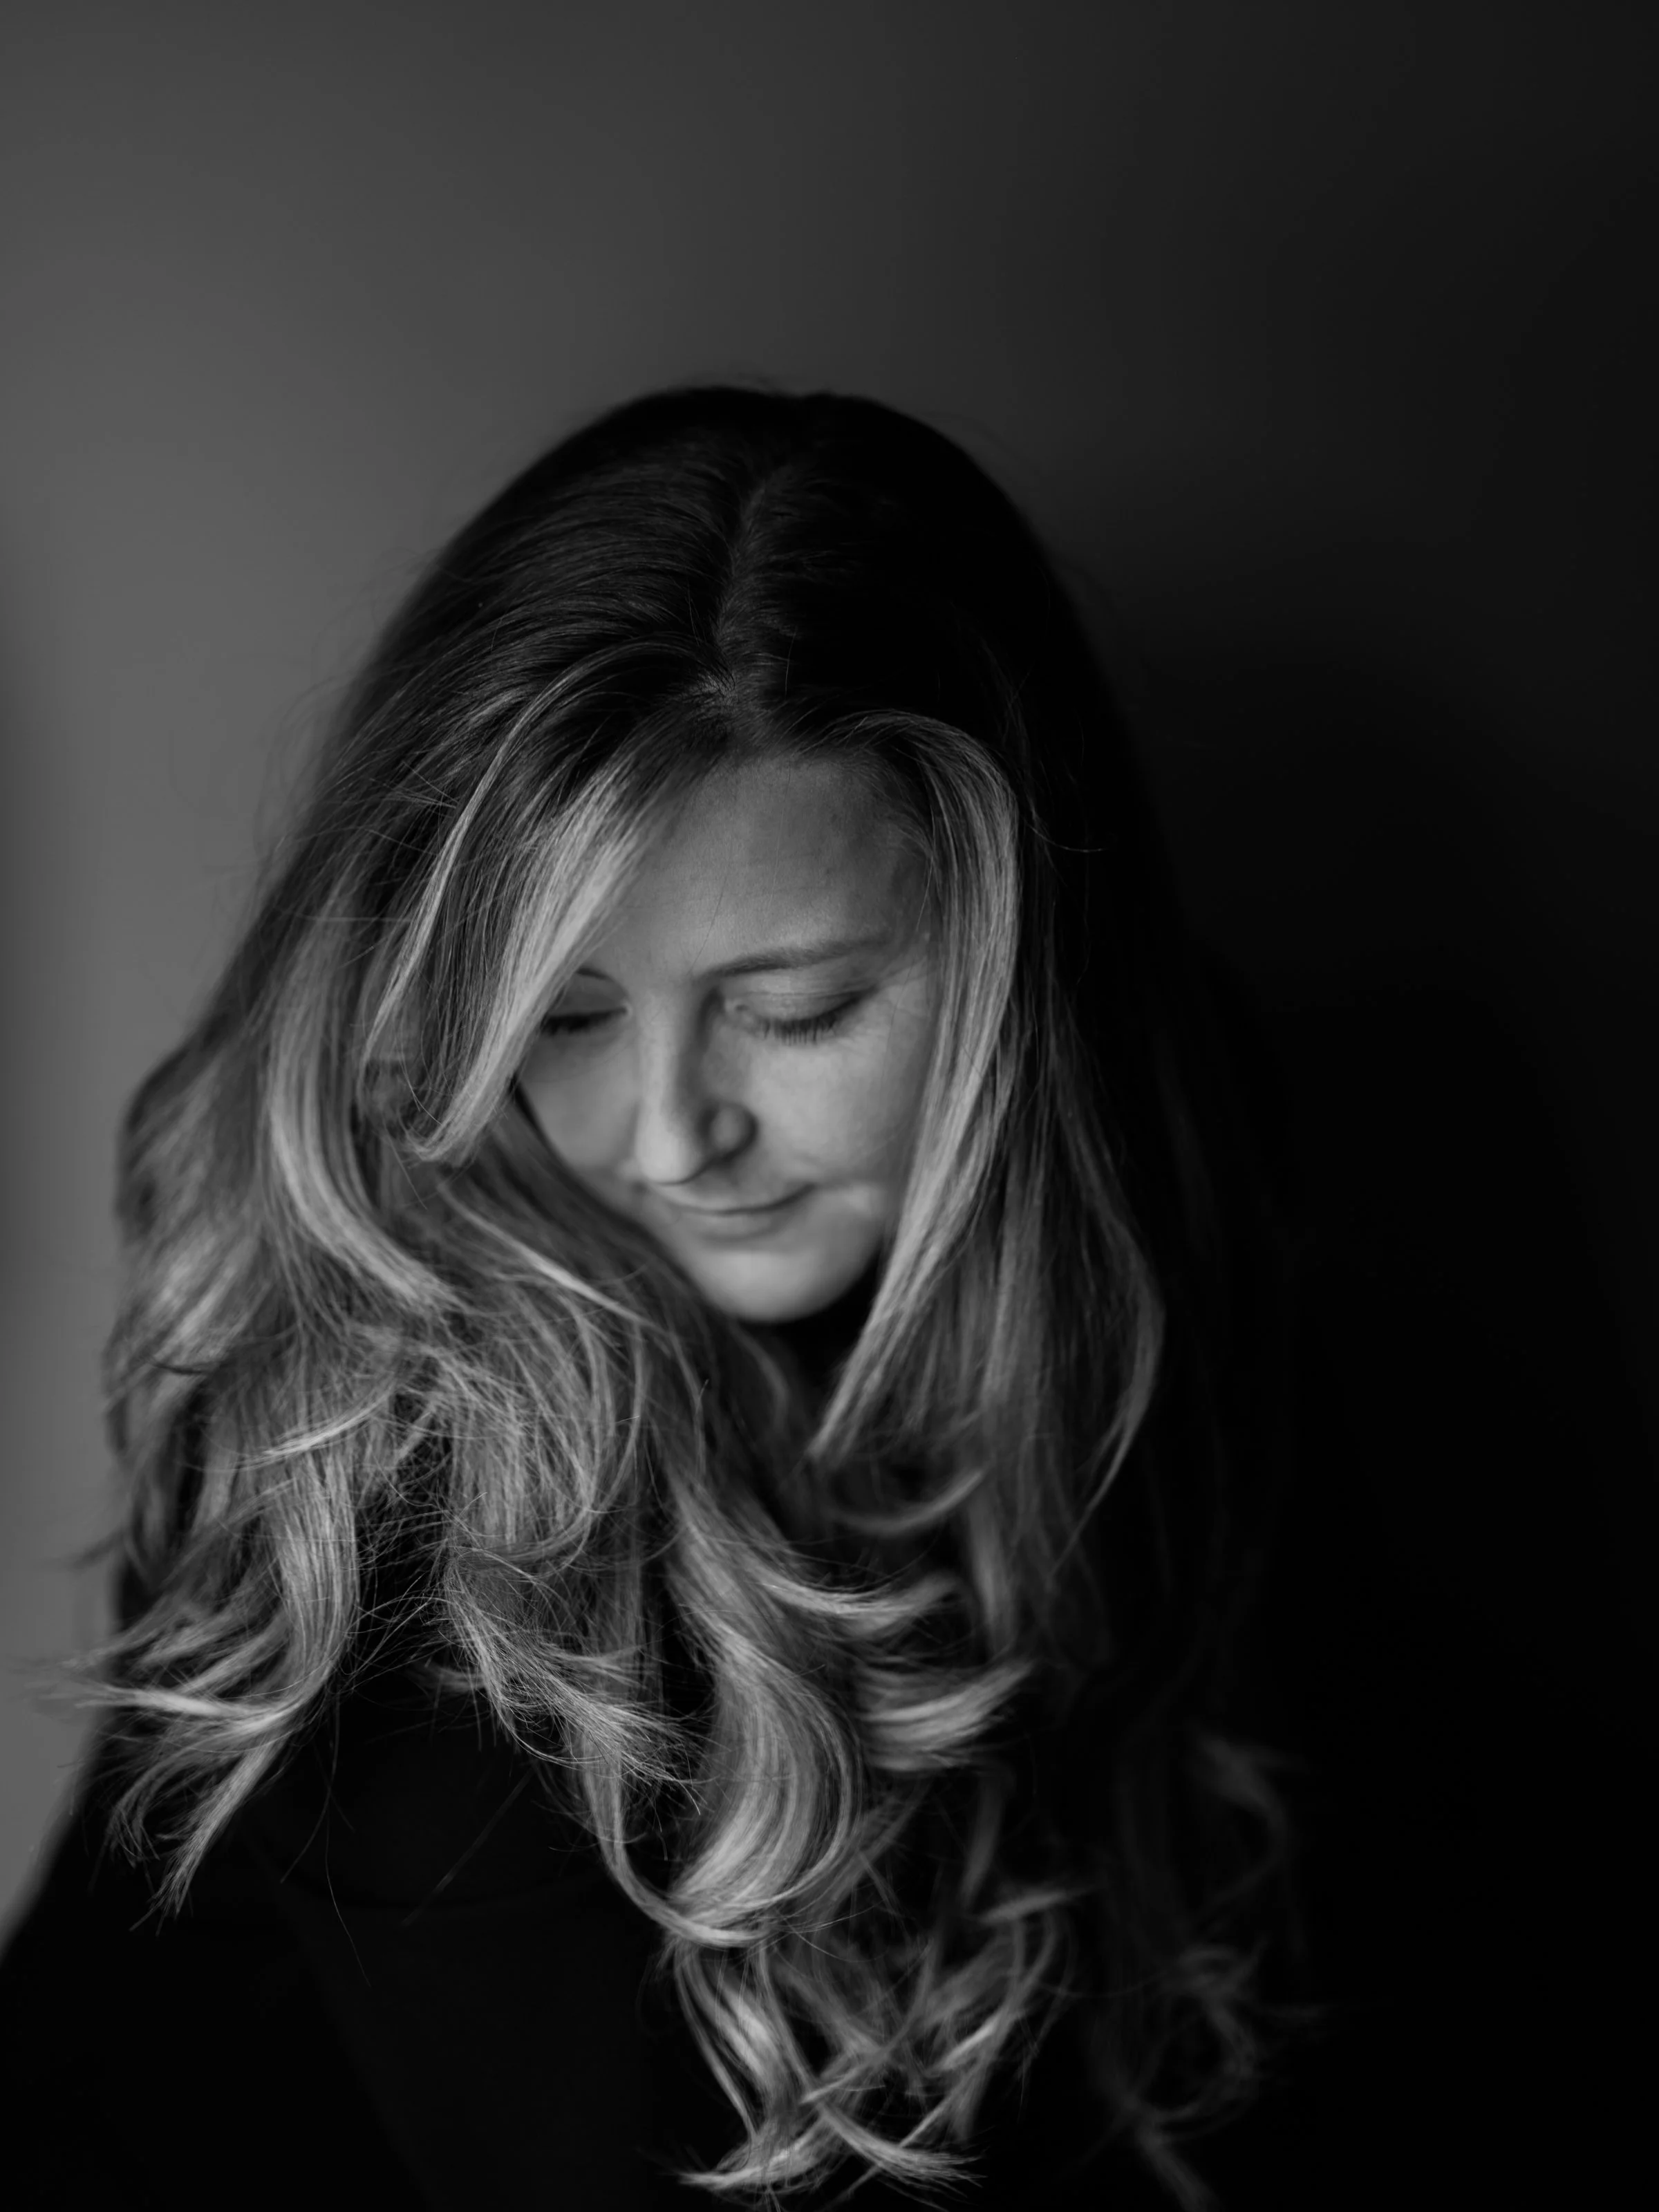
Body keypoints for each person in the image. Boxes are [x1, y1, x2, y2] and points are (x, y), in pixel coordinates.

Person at [0, 385, 1321, 2209]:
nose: (672, 1133)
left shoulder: (1188, 1211)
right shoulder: (416, 1484)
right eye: (566, 1017)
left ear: (1025, 964)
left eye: (797, 1011)